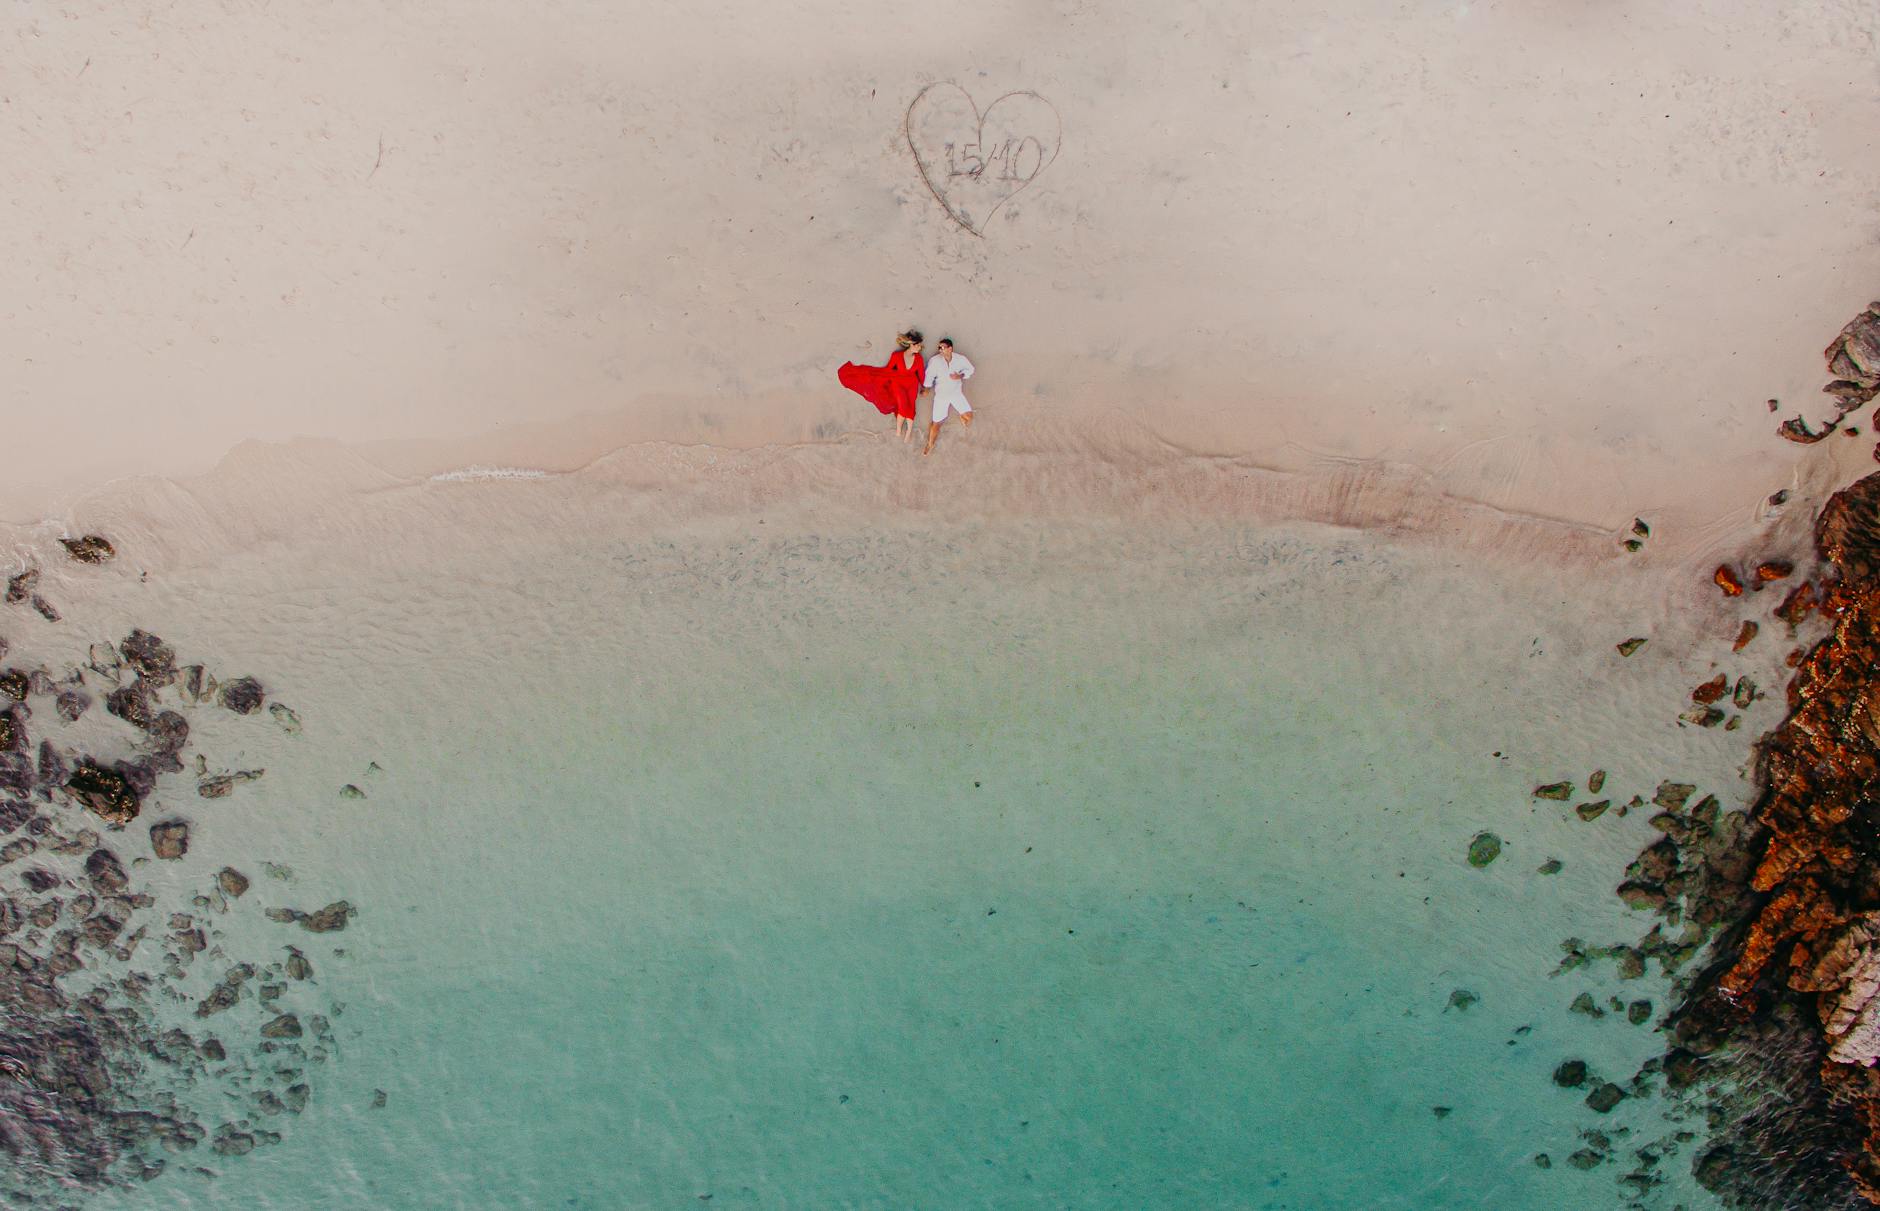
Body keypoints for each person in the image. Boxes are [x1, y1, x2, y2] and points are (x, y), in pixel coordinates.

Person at [837, 331, 926, 442]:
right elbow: (888, 369)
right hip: (898, 382)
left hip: (912, 383)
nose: (919, 348)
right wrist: (880, 378)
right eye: (917, 345)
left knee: (911, 405)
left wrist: (924, 386)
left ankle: (908, 432)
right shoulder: (896, 356)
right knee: (903, 405)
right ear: (911, 344)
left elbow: (921, 374)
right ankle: (899, 429)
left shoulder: (919, 358)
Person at [920, 337, 974, 457]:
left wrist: (960, 376)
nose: (940, 350)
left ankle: (961, 416)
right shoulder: (935, 361)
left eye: (943, 347)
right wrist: (926, 389)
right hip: (941, 397)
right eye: (939, 348)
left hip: (956, 394)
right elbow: (929, 376)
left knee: (969, 417)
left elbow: (970, 369)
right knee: (936, 423)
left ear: (950, 349)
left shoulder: (960, 359)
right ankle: (930, 444)